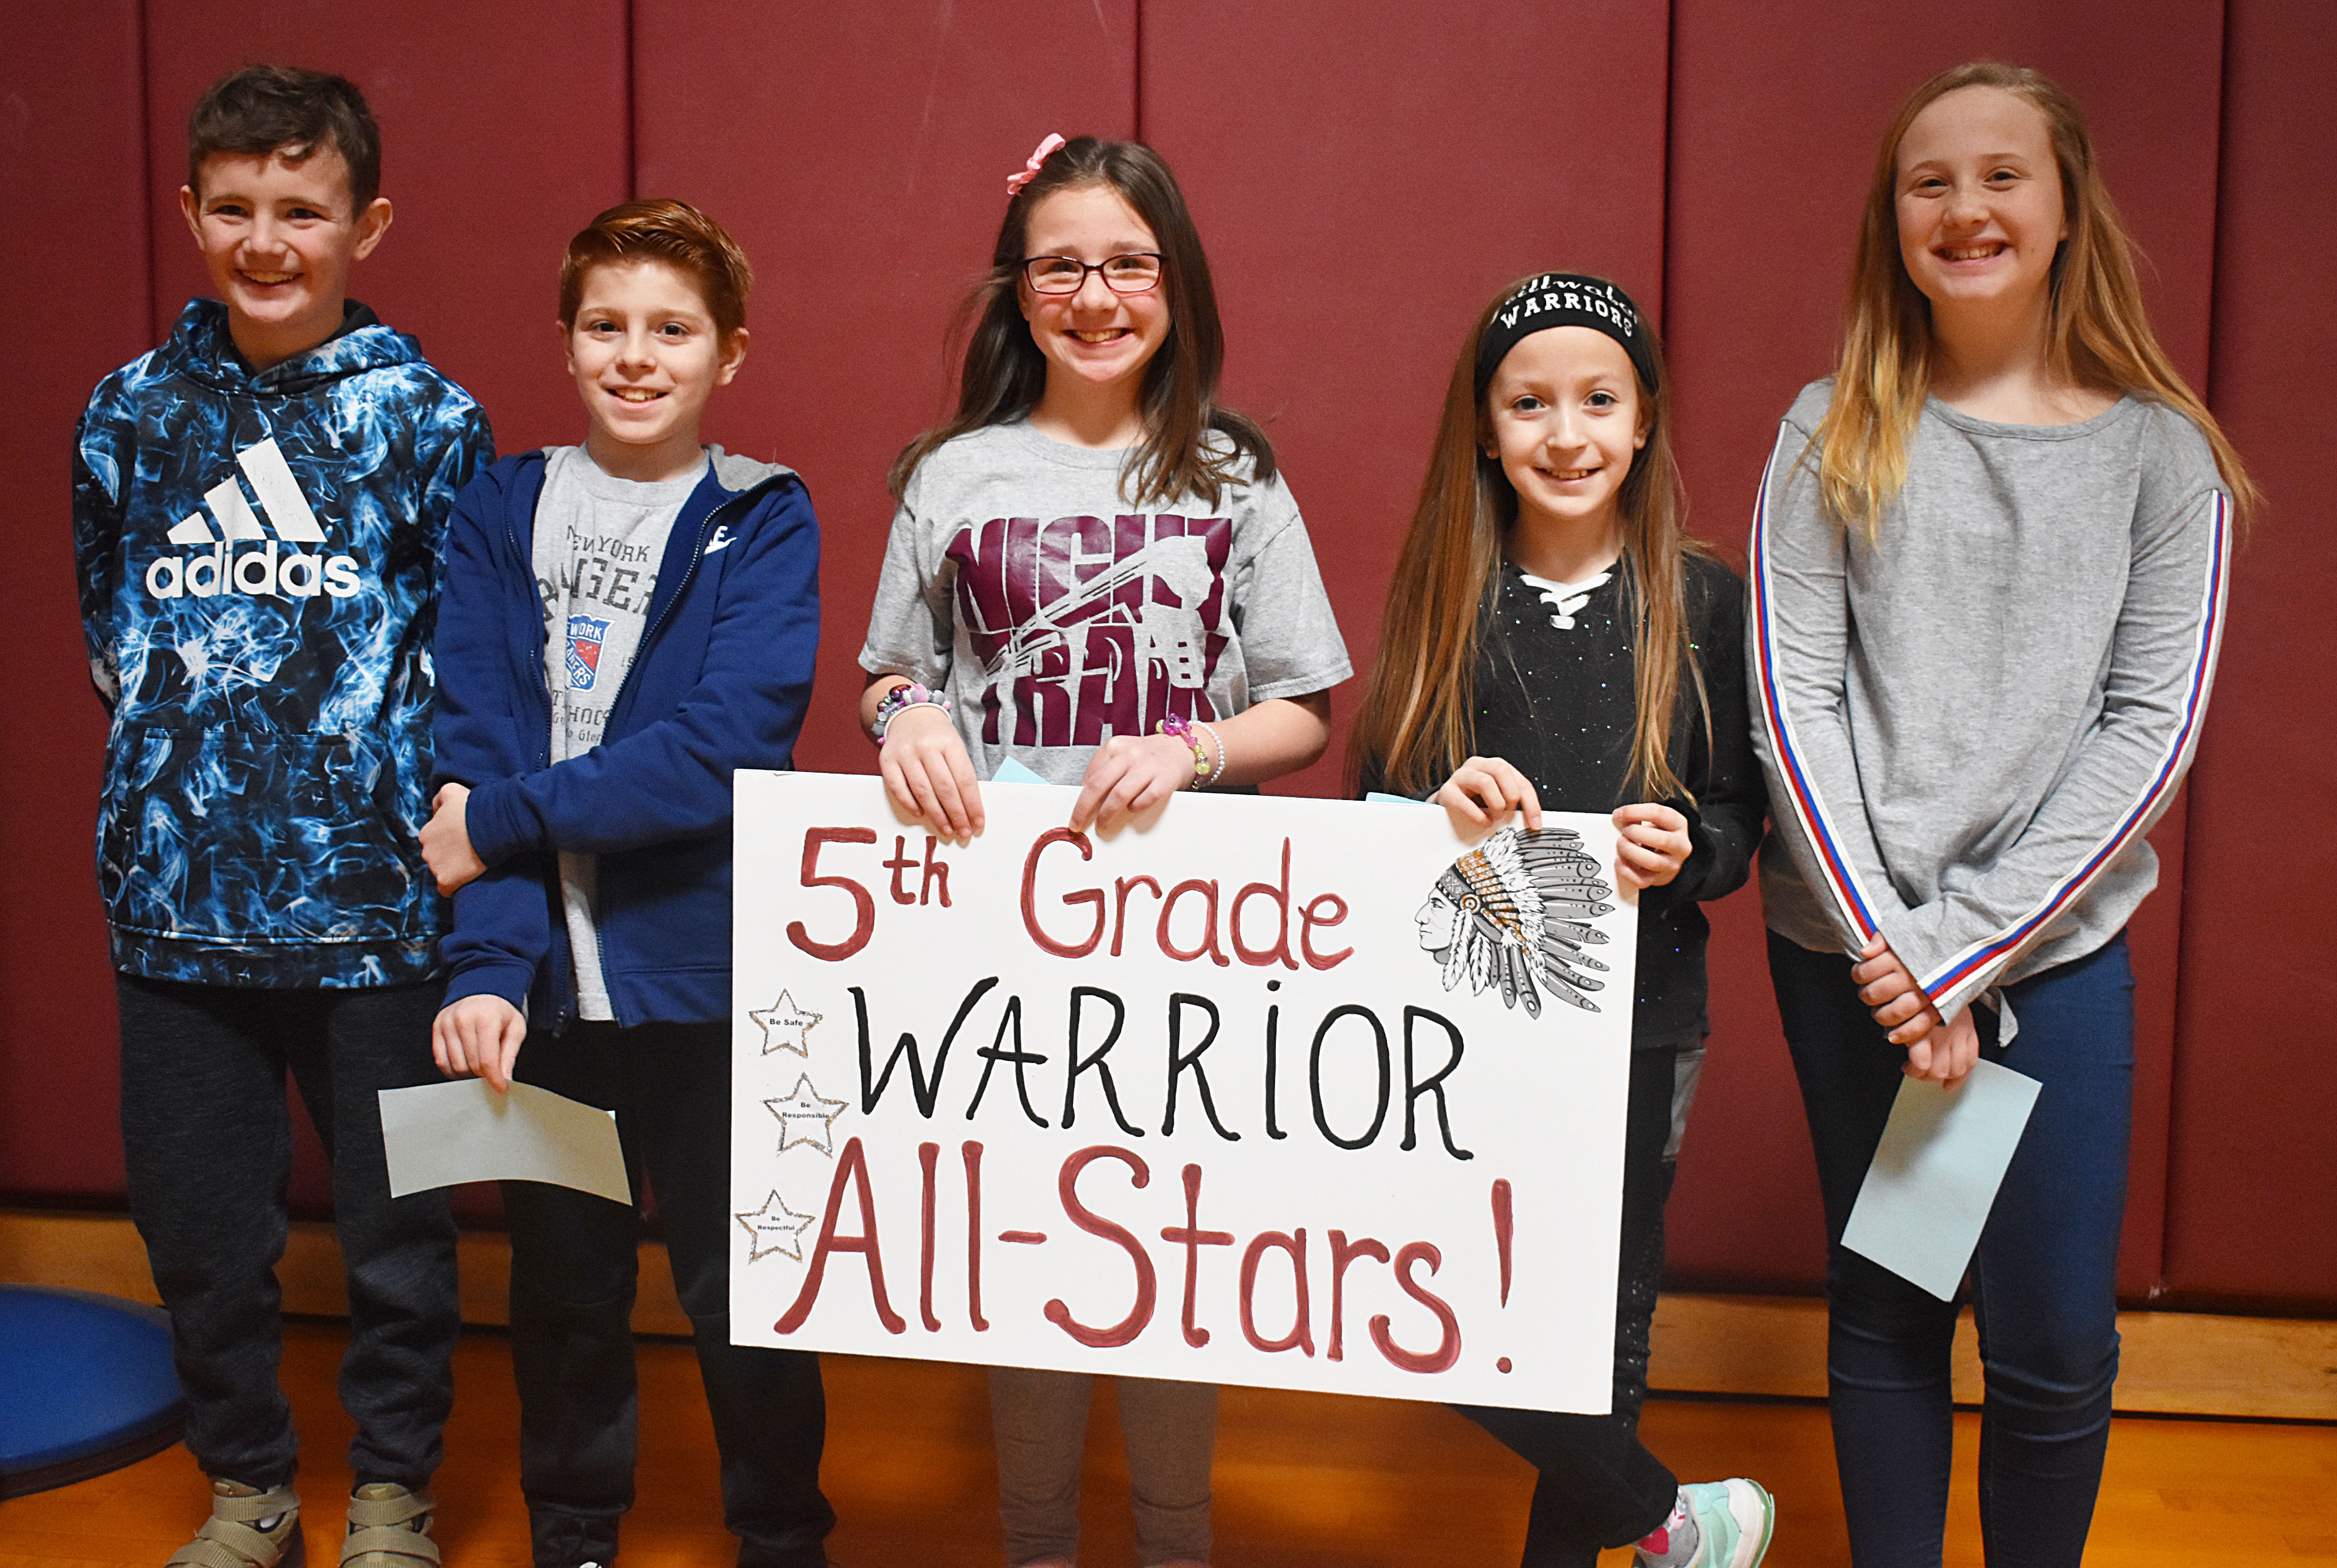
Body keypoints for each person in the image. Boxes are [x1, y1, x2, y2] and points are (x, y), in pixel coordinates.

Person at [1748, 63, 2250, 1566]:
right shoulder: (1828, 428)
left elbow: (2148, 735)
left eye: (2002, 175)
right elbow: (1792, 701)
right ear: (1892, 220)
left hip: (2043, 964)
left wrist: (1962, 954)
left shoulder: (2165, 457)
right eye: (1930, 181)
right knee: (1892, 1308)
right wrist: (1897, 960)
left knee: (2052, 1354)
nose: (1966, 207)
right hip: (1851, 954)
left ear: (2068, 209)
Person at [859, 133, 1351, 1568]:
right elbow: (890, 675)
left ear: (1174, 285)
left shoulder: (1235, 475)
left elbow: (1305, 712)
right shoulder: (951, 475)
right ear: (1018, 292)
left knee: (1169, 1257)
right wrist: (903, 723)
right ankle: (1035, 1544)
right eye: (1060, 264)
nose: (1095, 294)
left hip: (1187, 936)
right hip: (1002, 934)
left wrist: (1195, 749)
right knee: (1028, 1252)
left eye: (1127, 263)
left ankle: (1176, 1543)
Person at [70, 63, 492, 1568]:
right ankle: (248, 1489)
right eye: (235, 208)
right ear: (190, 212)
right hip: (175, 911)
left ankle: (392, 1494)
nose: (266, 239)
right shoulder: (127, 414)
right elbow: (114, 636)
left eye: (301, 210)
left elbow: (469, 653)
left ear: (364, 225)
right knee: (202, 1240)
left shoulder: (433, 422)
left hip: (381, 915)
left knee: (401, 1236)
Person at [418, 200, 830, 1568]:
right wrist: (487, 960)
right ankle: (575, 1533)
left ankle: (779, 1533)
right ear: (567, 339)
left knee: (746, 1288)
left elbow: (721, 752)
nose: (637, 356)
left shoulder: (764, 518)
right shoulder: (501, 502)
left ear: (731, 354)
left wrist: (503, 824)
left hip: (711, 985)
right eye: (608, 325)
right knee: (567, 1288)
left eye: (674, 330)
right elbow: (470, 738)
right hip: (539, 984)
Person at [1349, 273, 1773, 1568]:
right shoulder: (1446, 594)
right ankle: (1666, 1524)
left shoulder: (1701, 601)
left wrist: (1690, 847)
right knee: (1447, 1303)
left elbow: (1739, 813)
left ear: (1645, 422)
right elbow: (1373, 798)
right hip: (1468, 1023)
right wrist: (1438, 802)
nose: (1567, 433)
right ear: (1485, 427)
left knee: (1607, 1318)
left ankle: (1594, 1550)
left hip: (1642, 1023)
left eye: (1600, 400)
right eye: (1530, 404)